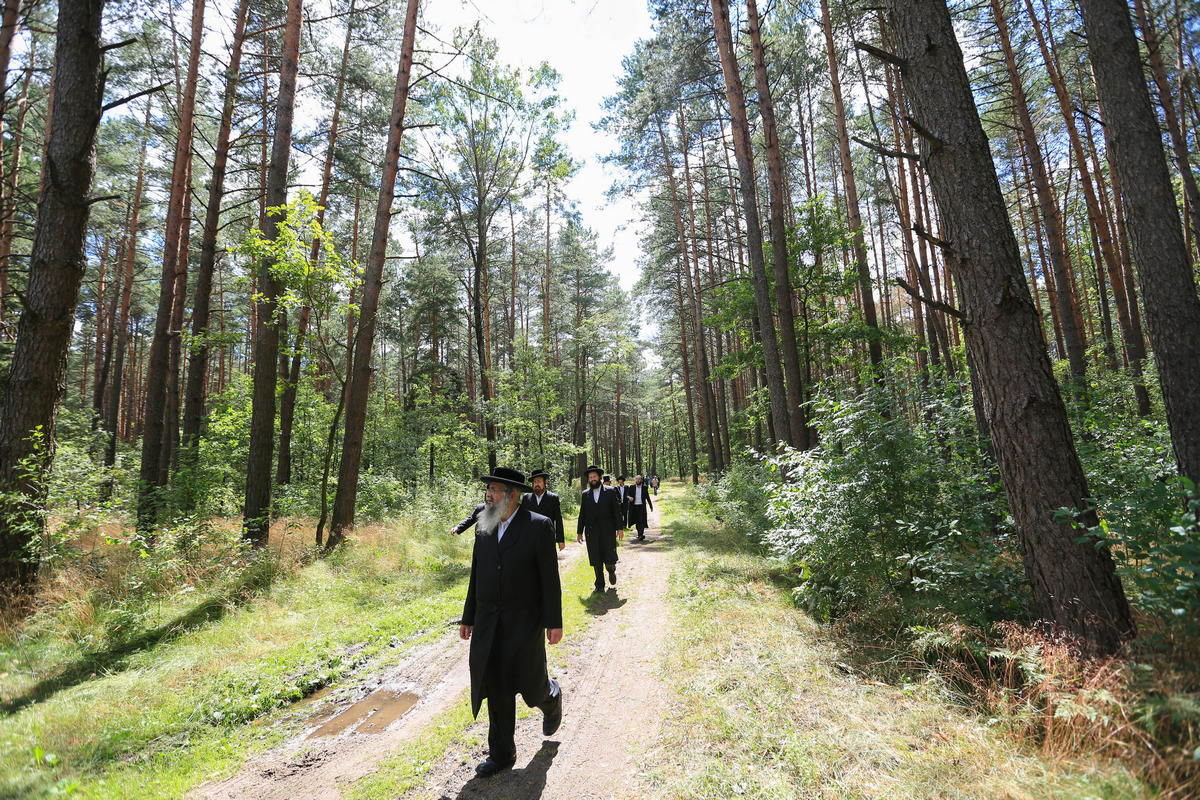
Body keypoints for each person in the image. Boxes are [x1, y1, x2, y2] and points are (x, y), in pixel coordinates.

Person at [459, 467, 563, 777]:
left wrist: (553, 621)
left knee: (530, 684)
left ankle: (551, 696)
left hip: (525, 622)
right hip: (490, 621)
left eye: (494, 490)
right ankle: (502, 754)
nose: (489, 495)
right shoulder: (484, 524)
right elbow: (477, 573)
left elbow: (549, 578)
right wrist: (469, 616)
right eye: (488, 490)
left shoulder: (538, 526)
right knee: (497, 684)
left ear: (512, 495)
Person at [577, 464, 625, 593]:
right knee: (596, 558)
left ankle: (611, 570)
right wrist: (579, 532)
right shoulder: (585, 494)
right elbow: (582, 514)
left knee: (609, 557)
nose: (592, 479)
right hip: (592, 532)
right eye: (590, 477)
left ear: (599, 478)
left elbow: (616, 511)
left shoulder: (610, 491)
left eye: (594, 476)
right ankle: (599, 584)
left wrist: (619, 528)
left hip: (608, 531)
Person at [522, 469, 565, 552]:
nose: (536, 484)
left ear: (545, 483)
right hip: (530, 539)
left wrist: (560, 540)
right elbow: (522, 519)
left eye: (539, 481)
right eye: (535, 482)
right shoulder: (526, 498)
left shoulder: (553, 498)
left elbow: (558, 520)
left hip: (547, 538)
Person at [624, 474, 654, 541]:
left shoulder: (644, 488)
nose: (638, 480)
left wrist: (651, 506)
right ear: (635, 480)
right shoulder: (631, 487)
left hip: (641, 506)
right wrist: (629, 497)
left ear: (641, 480)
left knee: (641, 521)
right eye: (637, 479)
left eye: (639, 479)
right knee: (637, 521)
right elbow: (627, 495)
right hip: (634, 506)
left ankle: (641, 534)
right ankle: (639, 534)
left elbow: (647, 497)